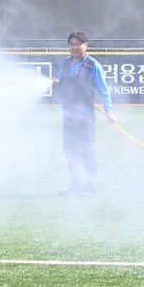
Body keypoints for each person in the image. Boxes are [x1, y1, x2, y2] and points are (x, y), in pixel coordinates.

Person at [51, 31, 116, 196]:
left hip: (86, 116)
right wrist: (57, 83)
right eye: (71, 44)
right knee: (70, 150)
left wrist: (109, 112)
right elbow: (63, 84)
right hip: (69, 115)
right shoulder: (66, 63)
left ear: (86, 45)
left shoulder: (93, 66)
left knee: (87, 150)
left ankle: (89, 187)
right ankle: (75, 185)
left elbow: (103, 90)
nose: (74, 48)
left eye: (77, 44)